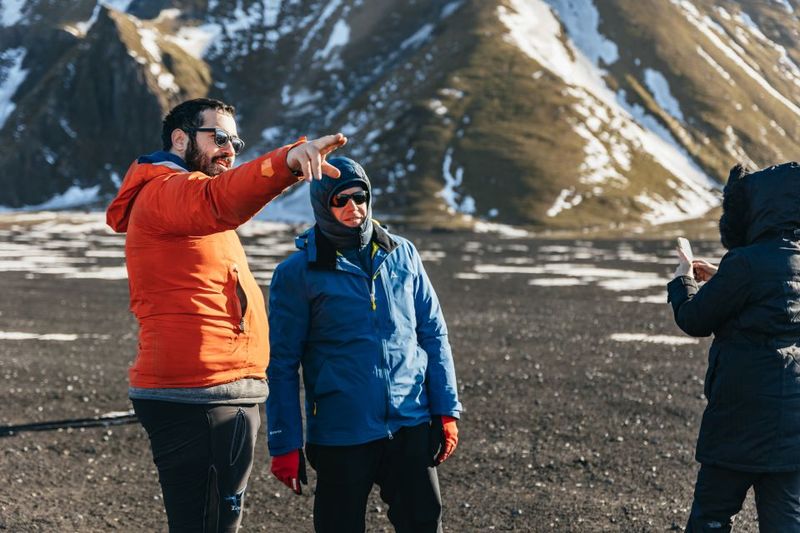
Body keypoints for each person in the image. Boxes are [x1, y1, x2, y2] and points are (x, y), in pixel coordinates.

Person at [105, 97, 346, 532]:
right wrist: (286, 161)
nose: (230, 148)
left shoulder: (175, 195)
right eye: (218, 137)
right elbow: (220, 200)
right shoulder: (167, 190)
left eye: (236, 140)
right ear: (180, 139)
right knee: (211, 522)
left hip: (213, 388)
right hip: (202, 392)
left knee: (211, 519)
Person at [266, 157, 462, 533]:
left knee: (424, 522)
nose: (353, 207)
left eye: (360, 196)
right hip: (342, 431)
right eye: (341, 200)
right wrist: (284, 442)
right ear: (323, 205)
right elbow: (282, 364)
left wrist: (447, 410)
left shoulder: (402, 253)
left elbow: (433, 333)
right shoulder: (297, 272)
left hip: (410, 420)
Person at [668, 162, 800, 532]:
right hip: (791, 418)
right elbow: (770, 299)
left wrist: (683, 282)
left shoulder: (745, 263)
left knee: (712, 515)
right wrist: (723, 276)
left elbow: (695, 320)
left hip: (740, 415)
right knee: (786, 521)